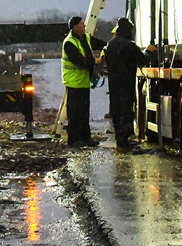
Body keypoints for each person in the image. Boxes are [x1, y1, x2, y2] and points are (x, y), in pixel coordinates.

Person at [105, 18, 144, 151]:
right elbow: (143, 59)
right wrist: (150, 51)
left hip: (113, 83)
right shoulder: (129, 45)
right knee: (126, 110)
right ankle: (124, 140)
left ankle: (119, 140)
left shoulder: (110, 45)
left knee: (116, 110)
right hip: (126, 82)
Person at [61, 15, 99, 146]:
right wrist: (95, 61)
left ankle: (85, 138)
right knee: (74, 112)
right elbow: (78, 61)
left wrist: (109, 47)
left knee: (84, 112)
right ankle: (74, 139)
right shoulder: (69, 43)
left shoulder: (86, 38)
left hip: (83, 81)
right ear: (75, 27)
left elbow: (101, 44)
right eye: (82, 24)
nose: (84, 26)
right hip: (73, 82)